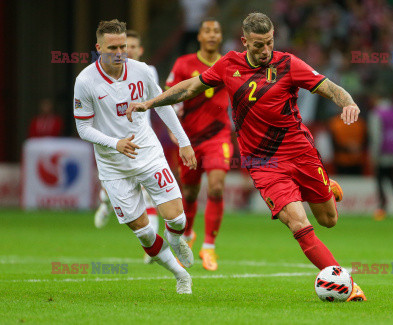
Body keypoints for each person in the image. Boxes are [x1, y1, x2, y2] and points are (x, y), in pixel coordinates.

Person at [127, 13, 366, 301]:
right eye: (257, 46)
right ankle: (346, 285)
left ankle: (327, 187)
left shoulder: (288, 64)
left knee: (329, 220)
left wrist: (348, 102)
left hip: (299, 152)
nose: (265, 51)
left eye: (269, 43)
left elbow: (330, 88)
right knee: (298, 224)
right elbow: (190, 87)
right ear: (244, 42)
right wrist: (150, 103)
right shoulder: (229, 65)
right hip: (263, 163)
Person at [74, 19, 197, 294]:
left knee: (177, 219)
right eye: (112, 47)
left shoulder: (140, 71)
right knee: (142, 231)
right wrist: (115, 143)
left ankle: (176, 240)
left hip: (147, 153)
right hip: (113, 166)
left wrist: (184, 143)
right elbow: (83, 128)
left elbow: (163, 104)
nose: (119, 53)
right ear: (98, 48)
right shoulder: (85, 81)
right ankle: (180, 275)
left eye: (123, 47)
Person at [165, 18, 231, 271]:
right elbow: (169, 95)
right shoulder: (184, 64)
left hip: (218, 137)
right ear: (200, 37)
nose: (212, 35)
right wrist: (173, 127)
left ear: (221, 37)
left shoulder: (229, 64)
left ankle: (209, 247)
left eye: (216, 31)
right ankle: (188, 235)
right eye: (207, 31)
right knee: (190, 193)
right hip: (189, 140)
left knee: (216, 188)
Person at [93, 29, 163, 265]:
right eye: (126, 46)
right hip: (115, 138)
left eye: (133, 47)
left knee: (148, 194)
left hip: (142, 139)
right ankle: (105, 201)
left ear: (140, 50)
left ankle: (151, 249)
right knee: (116, 186)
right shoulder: (105, 75)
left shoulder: (146, 71)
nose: (128, 51)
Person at [368, 97, 393, 221]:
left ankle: (382, 206)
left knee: (380, 179)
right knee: (392, 177)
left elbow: (376, 135)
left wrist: (374, 154)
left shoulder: (376, 114)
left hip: (382, 152)